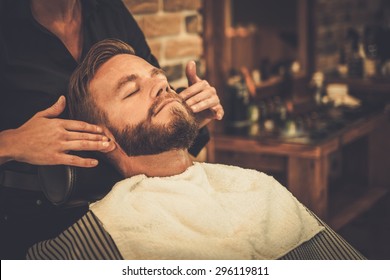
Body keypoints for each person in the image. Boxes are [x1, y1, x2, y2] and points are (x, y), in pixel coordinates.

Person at [27, 39, 365, 260]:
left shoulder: (258, 186)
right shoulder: (106, 233)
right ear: (103, 137)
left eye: (159, 77)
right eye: (131, 92)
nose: (160, 84)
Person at [0, 0, 222, 259]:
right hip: (33, 216)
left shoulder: (109, 10)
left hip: (127, 198)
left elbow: (149, 96)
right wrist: (11, 143)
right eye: (130, 91)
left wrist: (186, 115)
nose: (161, 85)